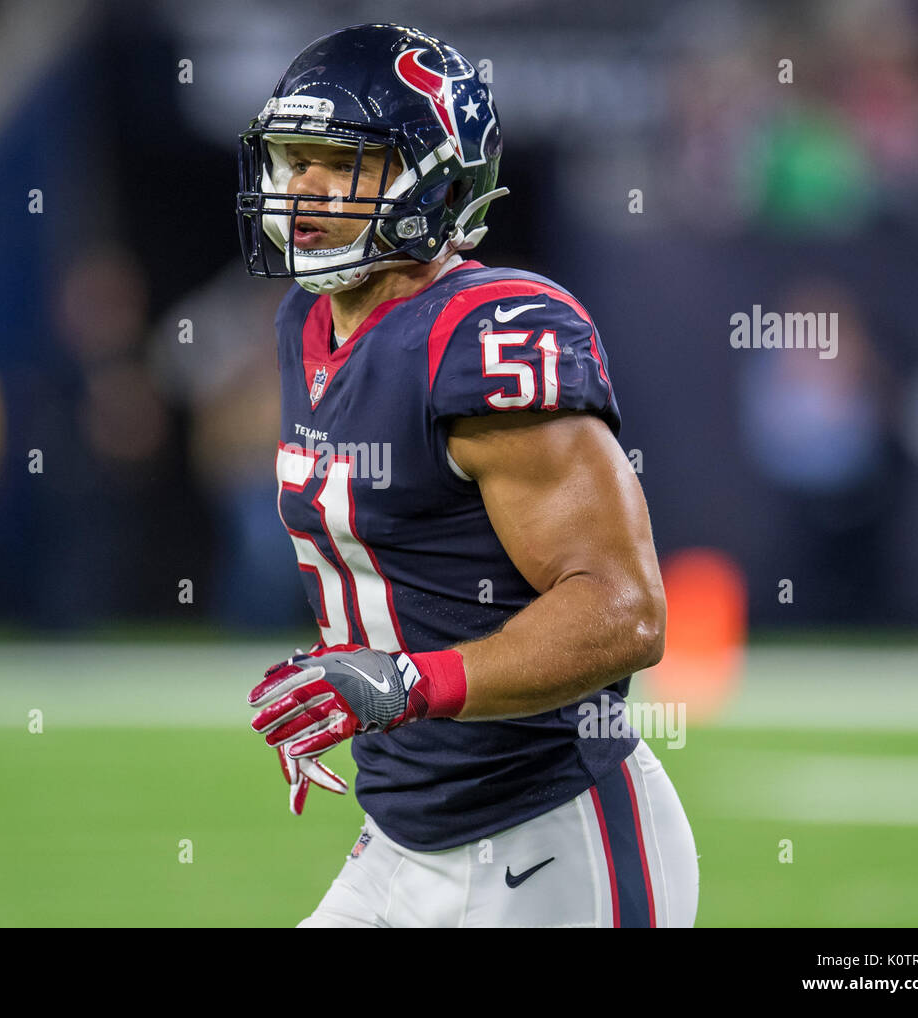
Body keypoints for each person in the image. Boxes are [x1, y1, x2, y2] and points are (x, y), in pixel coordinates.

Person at [237, 23, 698, 928]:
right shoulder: (308, 319)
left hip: (545, 838)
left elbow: (625, 611)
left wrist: (404, 685)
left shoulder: (484, 334)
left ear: (433, 179)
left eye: (343, 164)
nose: (304, 190)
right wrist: (346, 682)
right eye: (293, 160)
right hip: (404, 833)